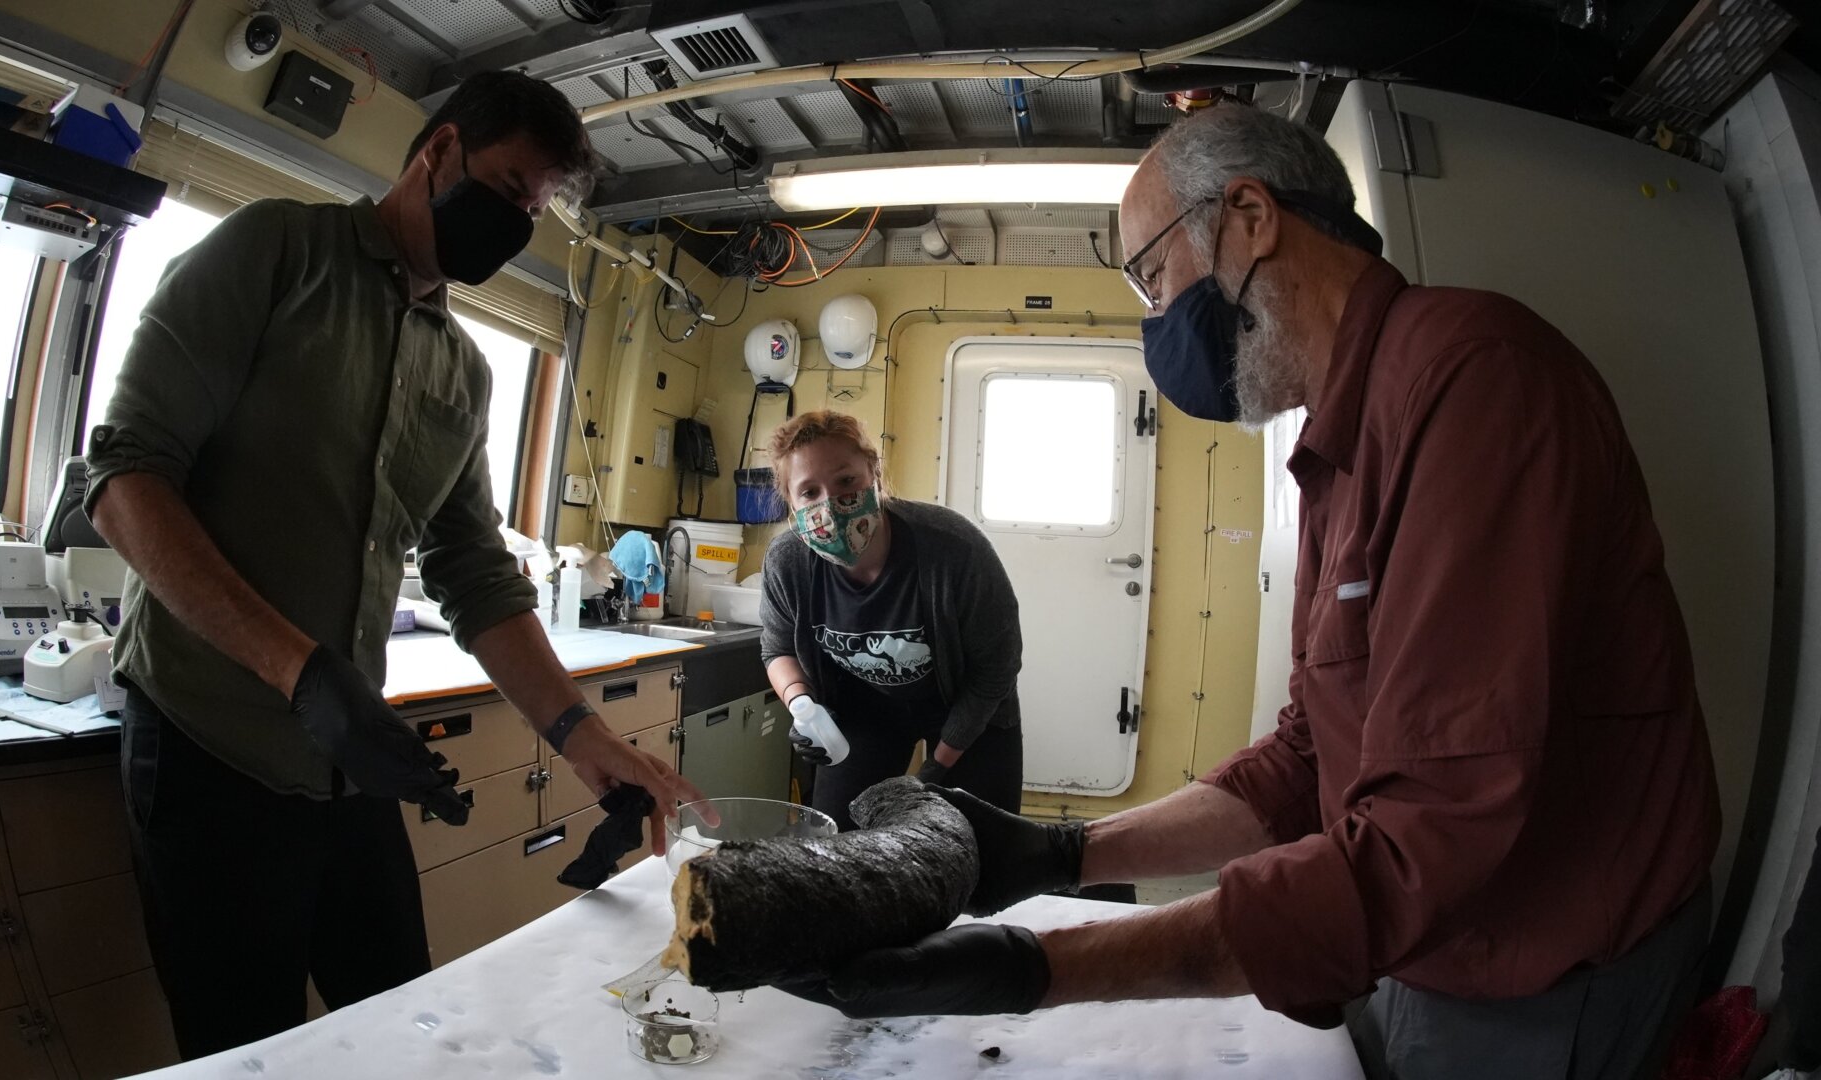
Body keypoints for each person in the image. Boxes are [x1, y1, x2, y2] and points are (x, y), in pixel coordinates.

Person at [795, 104, 1721, 1080]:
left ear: (1249, 217)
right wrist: (1062, 855)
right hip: (1433, 938)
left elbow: (1439, 825)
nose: (1155, 327)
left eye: (1151, 279)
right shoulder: (1338, 447)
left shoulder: (1472, 379)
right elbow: (1305, 761)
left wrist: (1036, 966)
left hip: (1553, 961)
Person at [86, 71, 701, 1060]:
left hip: (348, 762)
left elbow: (475, 575)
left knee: (412, 1027)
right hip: (211, 745)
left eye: (532, 212)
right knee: (246, 1046)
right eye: (505, 192)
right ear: (438, 154)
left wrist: (585, 737)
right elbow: (123, 482)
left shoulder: (463, 371)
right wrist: (300, 670)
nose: (513, 227)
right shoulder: (275, 251)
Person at [757, 410, 1024, 826]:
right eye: (809, 492)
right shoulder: (788, 560)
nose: (830, 504)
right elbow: (777, 648)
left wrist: (935, 769)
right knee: (837, 840)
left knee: (983, 844)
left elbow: (997, 666)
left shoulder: (953, 547)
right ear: (791, 503)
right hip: (866, 710)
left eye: (846, 481)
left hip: (967, 704)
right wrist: (803, 705)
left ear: (874, 474)